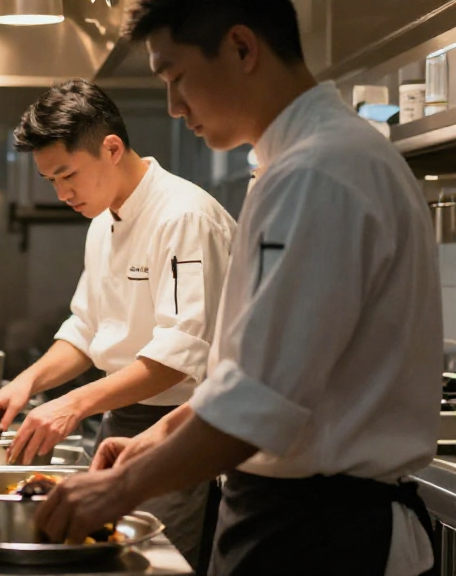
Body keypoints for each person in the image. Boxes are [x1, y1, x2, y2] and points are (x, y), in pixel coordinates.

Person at [36, 2, 441, 575]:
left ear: (242, 48)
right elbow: (246, 373)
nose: (174, 107)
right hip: (290, 516)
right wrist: (156, 440)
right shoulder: (292, 165)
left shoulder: (317, 172)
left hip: (327, 533)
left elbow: (260, 402)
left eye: (176, 77)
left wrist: (120, 487)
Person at [0, 78, 235, 568]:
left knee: (151, 563)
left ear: (112, 148)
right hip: (120, 419)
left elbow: (178, 359)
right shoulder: (102, 222)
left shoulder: (184, 216)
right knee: (102, 557)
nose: (61, 193)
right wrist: (26, 383)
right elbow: (84, 330)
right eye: (51, 181)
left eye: (67, 175)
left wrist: (72, 404)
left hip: (178, 430)